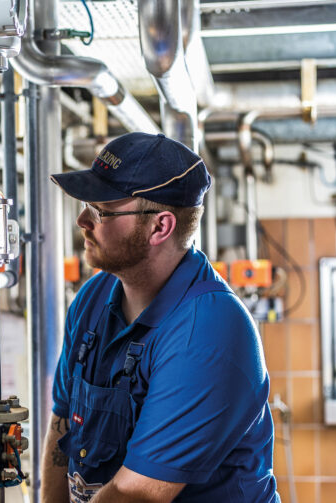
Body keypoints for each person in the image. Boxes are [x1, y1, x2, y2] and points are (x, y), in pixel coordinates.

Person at [42, 132, 278, 503]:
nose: (82, 220)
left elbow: (133, 495)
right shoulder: (94, 296)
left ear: (160, 227)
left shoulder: (209, 332)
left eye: (101, 210)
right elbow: (61, 427)